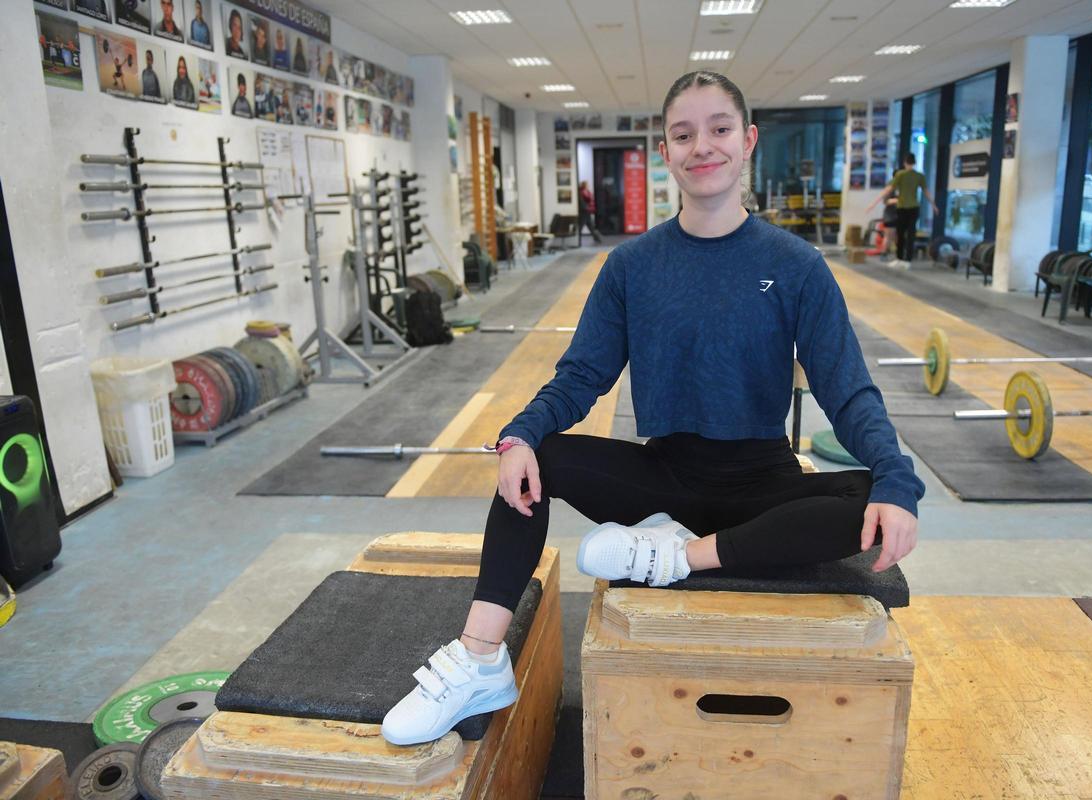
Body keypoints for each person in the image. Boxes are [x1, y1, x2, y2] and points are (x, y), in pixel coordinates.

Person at [379, 70, 923, 747]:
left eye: (720, 129)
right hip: (662, 484)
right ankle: (482, 657)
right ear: (665, 150)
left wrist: (898, 483)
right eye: (684, 133)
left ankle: (682, 557)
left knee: (875, 498)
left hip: (764, 490)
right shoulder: (633, 266)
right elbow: (582, 376)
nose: (704, 146)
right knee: (533, 460)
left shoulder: (795, 265)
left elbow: (847, 390)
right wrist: (519, 432)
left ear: (747, 139)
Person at [867, 153, 938, 267]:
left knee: (900, 234)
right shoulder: (919, 176)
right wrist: (933, 205)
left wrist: (873, 203)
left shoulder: (900, 174)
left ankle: (899, 258)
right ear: (914, 163)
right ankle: (908, 261)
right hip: (914, 208)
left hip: (903, 209)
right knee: (911, 234)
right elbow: (926, 192)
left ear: (905, 163)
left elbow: (888, 189)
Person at [577, 180, 603, 244]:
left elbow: (590, 200)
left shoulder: (587, 192)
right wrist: (586, 208)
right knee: (582, 226)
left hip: (588, 211)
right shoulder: (581, 192)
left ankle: (597, 238)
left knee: (590, 226)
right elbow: (582, 202)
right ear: (584, 185)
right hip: (584, 212)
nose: (588, 186)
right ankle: (577, 240)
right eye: (587, 184)